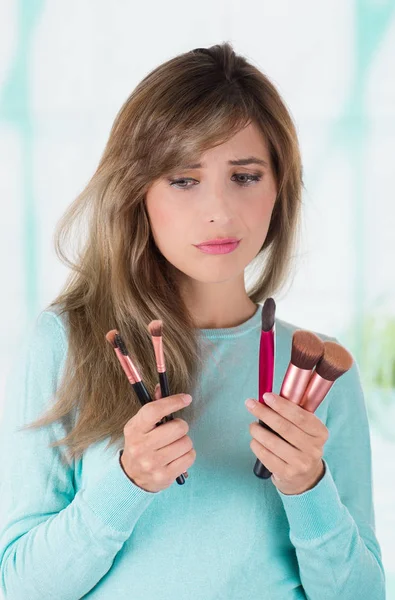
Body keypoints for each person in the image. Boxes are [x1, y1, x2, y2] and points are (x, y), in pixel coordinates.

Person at [0, 42, 385, 600]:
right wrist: (127, 483)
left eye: (246, 176)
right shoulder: (68, 344)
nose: (219, 210)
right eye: (184, 179)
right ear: (139, 193)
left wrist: (309, 488)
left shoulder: (322, 370)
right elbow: (20, 587)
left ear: (279, 189)